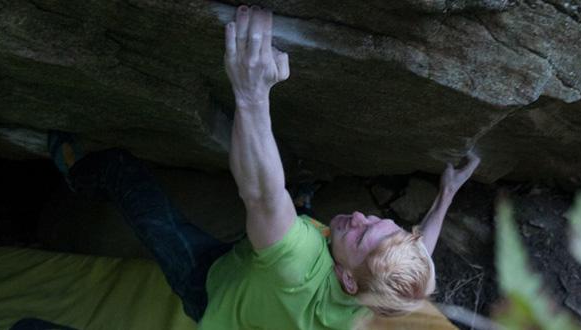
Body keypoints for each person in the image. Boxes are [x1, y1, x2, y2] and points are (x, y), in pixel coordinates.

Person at [48, 5, 480, 329]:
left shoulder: (296, 264)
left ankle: (79, 175)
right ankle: (301, 206)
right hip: (260, 270)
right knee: (292, 218)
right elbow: (422, 248)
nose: (361, 218)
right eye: (380, 222)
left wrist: (250, 94)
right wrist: (448, 193)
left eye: (362, 234)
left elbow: (258, 194)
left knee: (128, 178)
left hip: (212, 287)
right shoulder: (381, 292)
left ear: (346, 282)